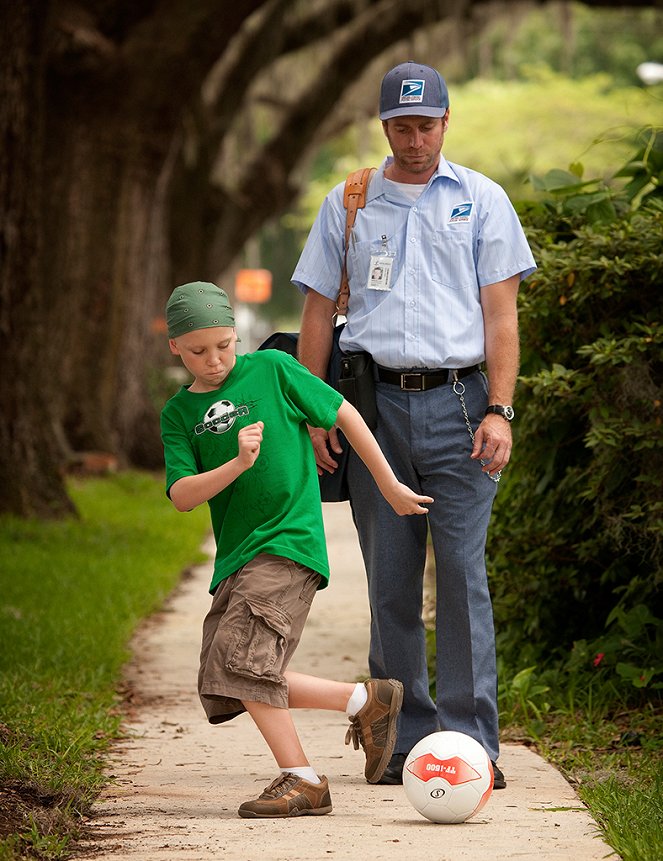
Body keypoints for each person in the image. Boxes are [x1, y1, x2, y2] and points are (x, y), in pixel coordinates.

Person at [292, 61, 537, 789]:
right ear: (383, 126)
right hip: (372, 410)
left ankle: (468, 745)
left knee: (463, 576)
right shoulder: (349, 202)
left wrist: (500, 408)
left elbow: (501, 316)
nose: (413, 137)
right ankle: (401, 742)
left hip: (462, 405)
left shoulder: (481, 200)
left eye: (424, 123)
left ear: (444, 121)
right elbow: (315, 315)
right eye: (400, 125)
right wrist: (313, 411)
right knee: (390, 582)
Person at [160, 281, 433, 819]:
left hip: (288, 542)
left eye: (223, 345)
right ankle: (363, 700)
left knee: (242, 664)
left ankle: (303, 780)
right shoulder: (177, 414)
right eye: (198, 351)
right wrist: (236, 465)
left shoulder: (273, 370)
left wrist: (389, 485)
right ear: (175, 348)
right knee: (224, 678)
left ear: (236, 335)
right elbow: (181, 496)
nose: (214, 360)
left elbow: (344, 415)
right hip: (237, 555)